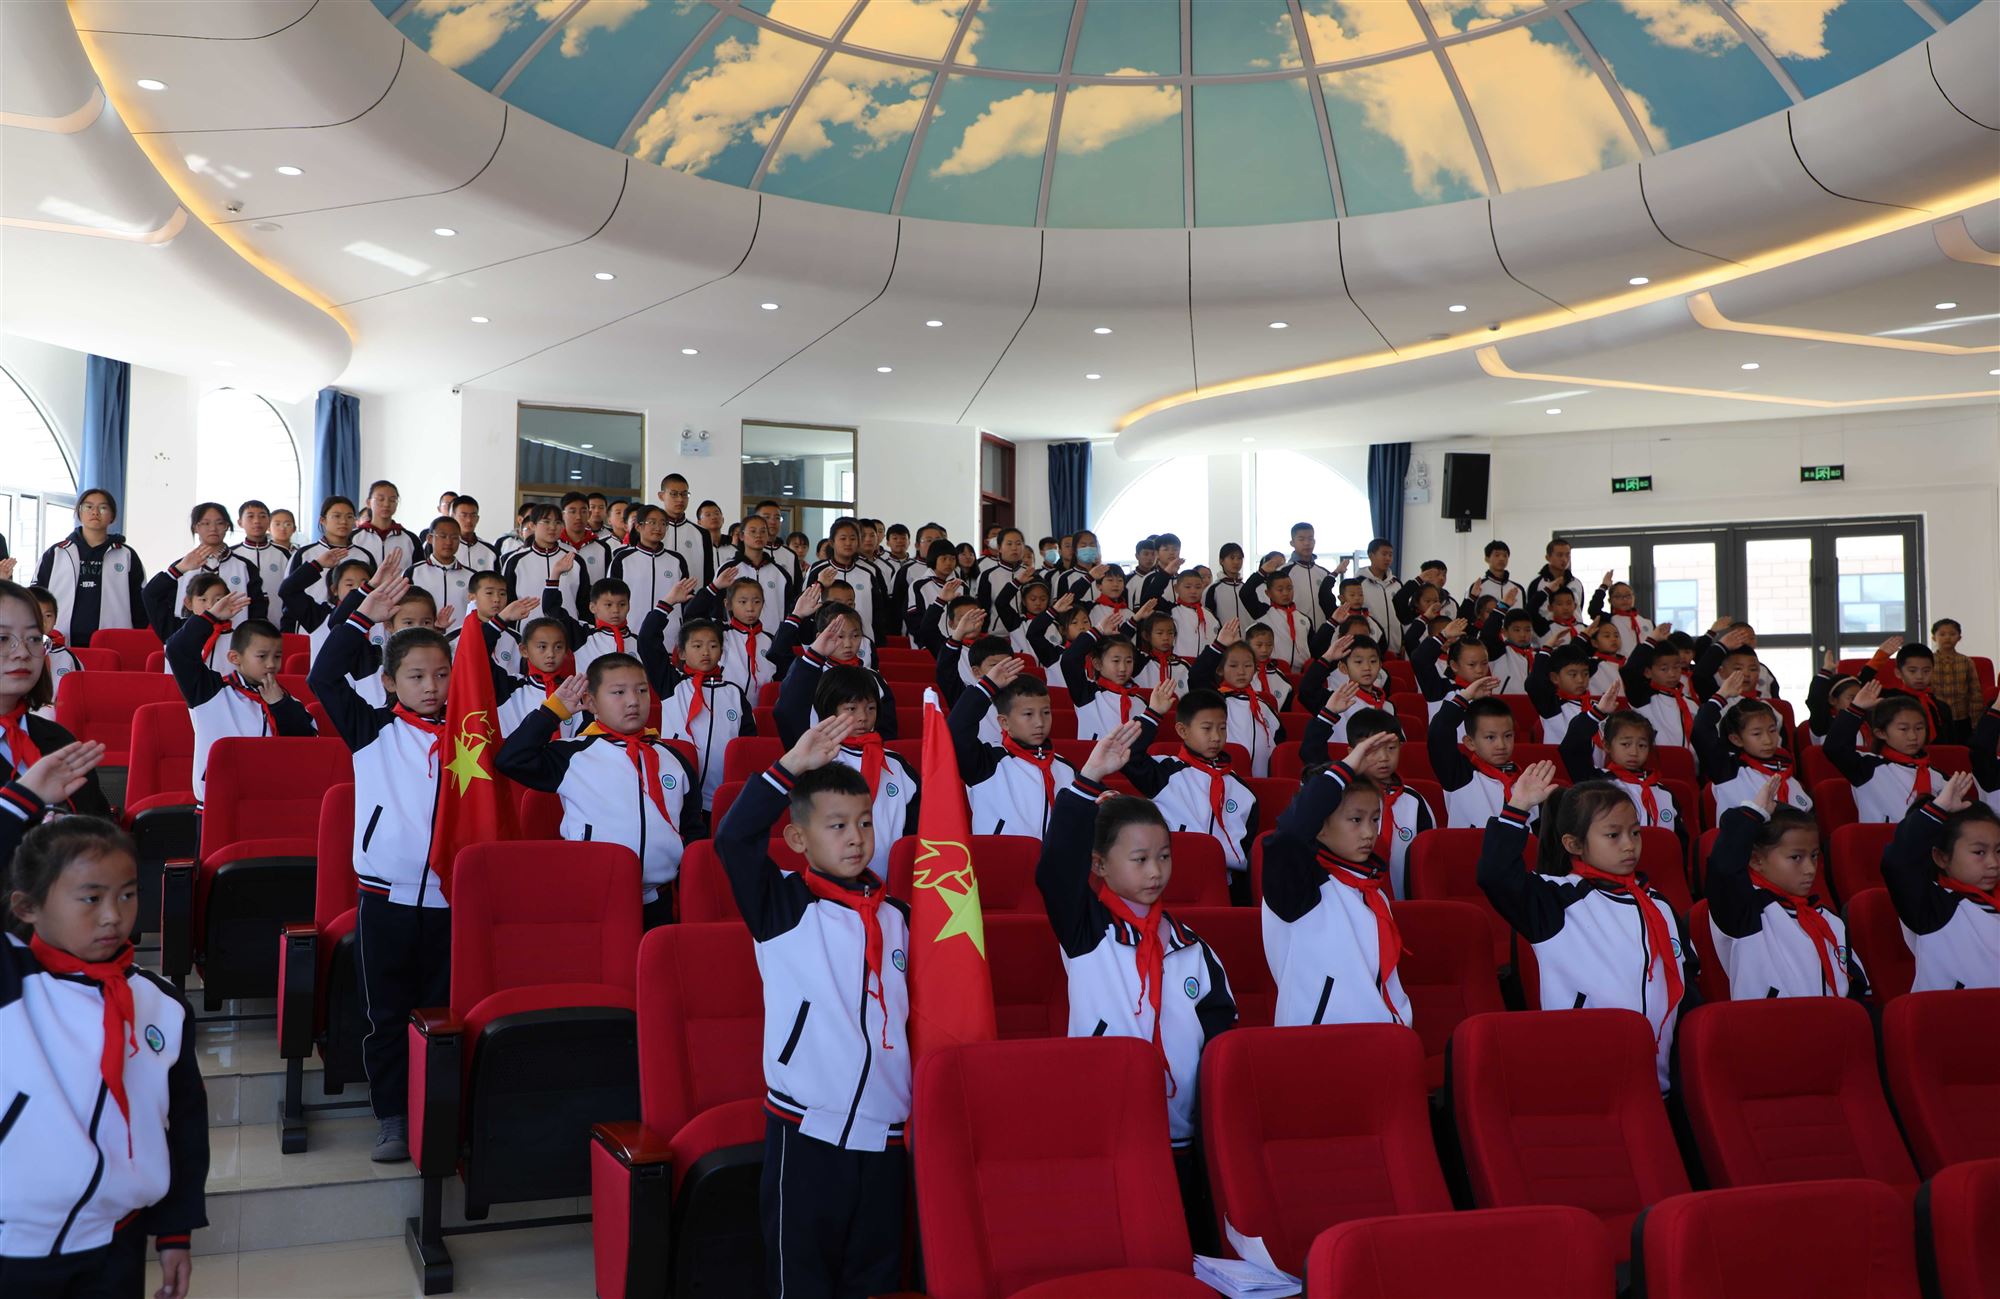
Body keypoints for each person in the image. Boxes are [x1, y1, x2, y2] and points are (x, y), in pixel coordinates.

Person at [715, 715, 910, 1299]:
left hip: (887, 1131)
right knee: (800, 1278)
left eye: (865, 822)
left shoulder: (899, 916)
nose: (856, 837)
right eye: (837, 825)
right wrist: (788, 769)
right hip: (806, 1127)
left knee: (875, 1277)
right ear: (799, 839)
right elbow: (732, 840)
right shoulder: (783, 905)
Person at [1, 811, 208, 1299]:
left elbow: (185, 1123)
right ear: (27, 907)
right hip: (14, 1247)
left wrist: (175, 1230)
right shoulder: (12, 986)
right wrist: (19, 803)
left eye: (127, 894)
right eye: (91, 898)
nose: (113, 915)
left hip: (116, 1242)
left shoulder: (162, 1003)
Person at [306, 576, 454, 1162]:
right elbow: (322, 677)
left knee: (443, 1011)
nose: (431, 687)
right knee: (388, 1013)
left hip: (450, 897)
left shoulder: (470, 736)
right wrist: (360, 616)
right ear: (390, 681)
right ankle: (392, 1114)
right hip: (386, 897)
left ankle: (438, 1112)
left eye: (441, 675)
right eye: (416, 676)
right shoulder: (372, 728)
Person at [1041, 720, 1236, 1157]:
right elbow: (1055, 869)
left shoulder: (1192, 948)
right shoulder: (1086, 930)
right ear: (1099, 865)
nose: (1155, 871)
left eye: (1164, 856)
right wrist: (1088, 779)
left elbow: (1220, 1041)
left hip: (1184, 1134)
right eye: (1140, 859)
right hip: (1105, 1130)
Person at [1478, 765, 1695, 1092]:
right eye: (1613, 835)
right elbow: (1494, 875)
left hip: (1659, 1085)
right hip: (1587, 1085)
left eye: (1635, 832)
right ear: (1574, 844)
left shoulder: (1659, 905)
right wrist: (1517, 807)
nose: (1629, 845)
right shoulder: (1556, 899)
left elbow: (1685, 984)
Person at [497, 655, 696, 929]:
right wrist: (552, 713)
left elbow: (692, 831)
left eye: (641, 690)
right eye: (618, 692)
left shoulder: (673, 759)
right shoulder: (572, 755)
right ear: (591, 703)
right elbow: (511, 759)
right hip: (594, 897)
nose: (633, 701)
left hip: (657, 901)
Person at [1260, 731, 1413, 1026]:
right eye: (1356, 819)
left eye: (1375, 819)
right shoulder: (1301, 887)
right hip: (1318, 1040)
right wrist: (1345, 769)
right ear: (1318, 826)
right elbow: (1290, 834)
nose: (1369, 833)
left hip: (1384, 1036)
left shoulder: (1373, 892)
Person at [1705, 773, 1864, 999]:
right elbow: (1724, 868)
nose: (1810, 869)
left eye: (1814, 855)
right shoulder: (1746, 912)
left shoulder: (1830, 921)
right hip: (1769, 1021)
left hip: (1829, 1021)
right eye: (1796, 857)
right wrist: (1753, 813)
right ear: (1756, 860)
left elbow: (1855, 992)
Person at [165, 596, 316, 801]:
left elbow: (307, 748)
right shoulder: (211, 692)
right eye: (262, 656)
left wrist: (280, 706)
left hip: (271, 800)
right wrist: (210, 617)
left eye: (277, 656)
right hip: (217, 802)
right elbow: (177, 650)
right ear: (234, 658)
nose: (271, 664)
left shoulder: (289, 703)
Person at [1115, 683, 1259, 888]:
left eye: (1222, 728)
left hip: (1224, 884)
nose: (1216, 737)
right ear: (1183, 730)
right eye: (1207, 728)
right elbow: (1128, 755)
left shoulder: (1244, 792)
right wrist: (1153, 713)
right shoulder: (1166, 773)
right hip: (1170, 876)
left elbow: (1246, 851)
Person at [0, 580, 112, 815]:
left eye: (34, 638)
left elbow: (100, 824)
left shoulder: (58, 738)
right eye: (2, 638)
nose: (23, 652)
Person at [1880, 772, 1999, 991]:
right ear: (1941, 857)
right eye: (1979, 852)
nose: (1993, 863)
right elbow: (1899, 860)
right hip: (1951, 1012)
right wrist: (1938, 808)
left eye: (1998, 851)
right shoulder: (1933, 906)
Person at [947, 655, 1074, 838]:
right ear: (1004, 722)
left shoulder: (1066, 768)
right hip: (1002, 855)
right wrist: (986, 688)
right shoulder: (988, 763)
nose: (1040, 722)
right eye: (1028, 714)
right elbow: (955, 733)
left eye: (1046, 712)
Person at [1560, 682, 1684, 846]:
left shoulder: (1664, 792)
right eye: (1625, 744)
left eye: (1642, 745)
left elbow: (1678, 844)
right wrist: (1598, 712)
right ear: (1607, 745)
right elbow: (1571, 748)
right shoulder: (1597, 783)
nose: (1634, 752)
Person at [771, 598, 897, 746]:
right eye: (839, 636)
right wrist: (796, 616)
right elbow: (786, 710)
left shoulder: (873, 677)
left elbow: (887, 730)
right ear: (820, 637)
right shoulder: (810, 675)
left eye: (855, 636)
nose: (848, 644)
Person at [35, 489, 147, 646]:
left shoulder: (126, 555)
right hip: (61, 640)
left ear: (112, 516)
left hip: (113, 641)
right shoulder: (56, 553)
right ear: (79, 513)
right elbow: (36, 597)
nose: (95, 512)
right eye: (88, 507)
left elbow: (140, 601)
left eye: (103, 508)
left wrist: (134, 636)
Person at [1694, 669, 1812, 815]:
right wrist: (1721, 696)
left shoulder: (1786, 770)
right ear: (1736, 739)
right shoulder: (1728, 770)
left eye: (1772, 730)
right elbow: (1700, 729)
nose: (1768, 740)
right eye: (1757, 733)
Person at [1826, 679, 1939, 823]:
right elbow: (1835, 748)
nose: (1913, 736)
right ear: (1881, 733)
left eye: (1919, 728)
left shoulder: (1939, 776)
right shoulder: (1868, 767)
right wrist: (1856, 709)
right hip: (1883, 837)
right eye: (1903, 729)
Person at [1429, 677, 1533, 828]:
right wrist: (1465, 696)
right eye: (1490, 737)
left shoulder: (1527, 782)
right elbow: (1439, 732)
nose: (1501, 745)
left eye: (1508, 736)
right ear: (1470, 742)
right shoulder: (1459, 776)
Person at [1188, 621, 1282, 778]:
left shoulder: (1264, 706)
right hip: (1225, 779)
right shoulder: (1215, 701)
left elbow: (1278, 743)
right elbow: (1197, 676)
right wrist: (1218, 645)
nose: (1241, 672)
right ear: (1220, 670)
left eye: (1247, 666)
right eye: (1233, 666)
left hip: (1261, 781)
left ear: (1255, 669)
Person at [1060, 622, 1153, 741]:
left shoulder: (1141, 702)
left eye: (1129, 661)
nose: (1123, 668)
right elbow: (1069, 659)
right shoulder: (1087, 694)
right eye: (1116, 661)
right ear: (1097, 664)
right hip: (1092, 753)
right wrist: (1097, 631)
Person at [141, 570, 237, 677]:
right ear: (188, 603)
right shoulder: (176, 630)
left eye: (218, 600)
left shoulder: (239, 636)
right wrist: (177, 569)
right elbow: (150, 595)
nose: (210, 606)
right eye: (203, 599)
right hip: (177, 688)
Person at [500, 505, 586, 620]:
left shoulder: (574, 559)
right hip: (526, 628)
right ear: (532, 525)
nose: (553, 527)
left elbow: (584, 603)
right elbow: (506, 601)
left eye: (558, 522)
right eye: (546, 521)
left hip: (568, 628)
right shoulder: (515, 561)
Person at [406, 516, 474, 633]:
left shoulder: (471, 576)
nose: (449, 542)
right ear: (430, 538)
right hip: (422, 638)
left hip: (461, 639)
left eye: (454, 537)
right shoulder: (414, 572)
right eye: (443, 536)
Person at [28, 586, 84, 717]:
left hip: (52, 721)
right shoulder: (7, 654)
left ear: (55, 620)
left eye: (48, 616)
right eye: (34, 614)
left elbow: (79, 697)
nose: (42, 621)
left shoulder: (67, 658)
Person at [232, 499, 290, 623]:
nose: (257, 521)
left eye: (262, 516)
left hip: (278, 620)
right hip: (240, 621)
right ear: (240, 522)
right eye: (250, 516)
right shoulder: (232, 554)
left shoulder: (283, 553)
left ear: (269, 521)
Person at [653, 474, 715, 585]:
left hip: (694, 594)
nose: (680, 499)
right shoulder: (652, 531)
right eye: (674, 494)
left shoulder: (702, 533)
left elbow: (708, 575)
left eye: (684, 494)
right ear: (661, 496)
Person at [1928, 618, 1980, 743]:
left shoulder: (1966, 661)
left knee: (1962, 749)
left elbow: (1975, 692)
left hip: (1962, 717)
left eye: (1952, 634)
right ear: (1934, 638)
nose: (1947, 638)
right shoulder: (1928, 661)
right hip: (1936, 717)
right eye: (1942, 634)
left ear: (1959, 638)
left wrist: (1976, 722)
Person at [351, 480, 416, 576]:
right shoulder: (353, 537)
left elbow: (418, 573)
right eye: (381, 499)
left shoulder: (411, 539)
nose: (386, 504)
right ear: (368, 502)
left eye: (392, 500)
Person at [1466, 541, 1523, 608]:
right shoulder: (1477, 588)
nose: (1501, 559)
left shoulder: (1519, 589)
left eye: (1505, 555)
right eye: (1497, 555)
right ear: (1487, 559)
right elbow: (1466, 612)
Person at [447, 495, 496, 572]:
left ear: (477, 519)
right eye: (464, 515)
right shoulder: (446, 547)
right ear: (453, 517)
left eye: (473, 515)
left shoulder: (490, 551)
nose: (469, 520)